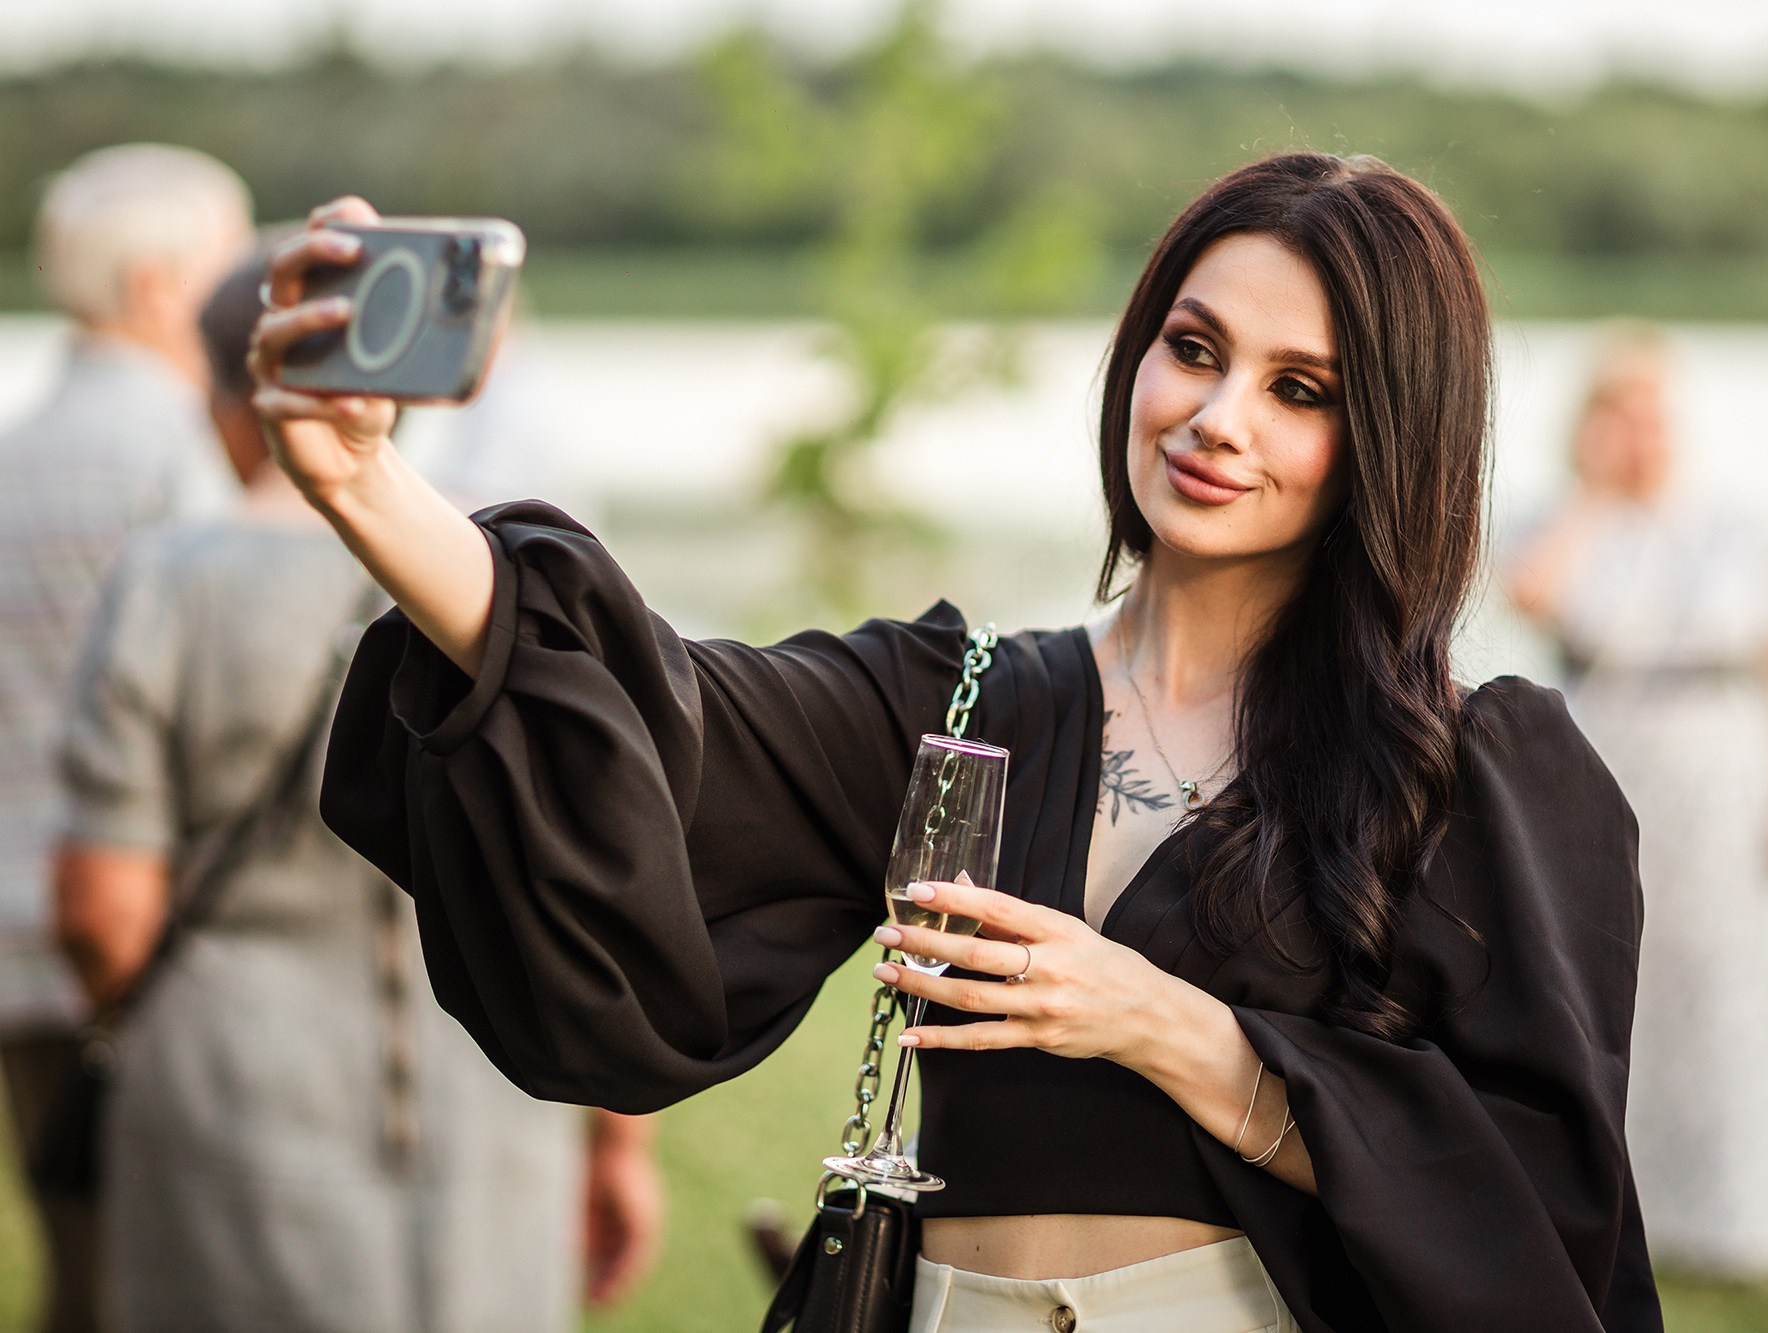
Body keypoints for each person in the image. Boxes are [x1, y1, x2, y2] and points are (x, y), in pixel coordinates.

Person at [251, 154, 1661, 1330]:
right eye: (1194, 348)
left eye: (1302, 390)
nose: (1216, 418)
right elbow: (659, 706)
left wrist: (1177, 1029)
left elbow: (1534, 1205)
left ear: (1391, 437)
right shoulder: (965, 699)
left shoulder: (1469, 774)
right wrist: (365, 481)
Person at [51, 252, 662, 1332]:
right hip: (496, 1080)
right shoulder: (516, 570)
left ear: (220, 391)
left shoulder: (169, 579)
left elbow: (106, 912)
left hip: (233, 1076)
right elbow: (612, 880)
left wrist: (124, 1011)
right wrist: (619, 1141)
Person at [1504, 329, 1768, 1280]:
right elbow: (1533, 595)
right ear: (1593, 423)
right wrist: (1595, 493)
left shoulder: (1733, 521)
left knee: (1724, 975)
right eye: (1622, 412)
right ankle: (1617, 1199)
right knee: (1611, 977)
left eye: (1655, 411)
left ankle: (1741, 1213)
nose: (1644, 431)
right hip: (1609, 755)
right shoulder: (1558, 518)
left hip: (1721, 757)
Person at [0, 142, 249, 1333]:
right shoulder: (189, 456)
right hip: (160, 942)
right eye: (229, 260)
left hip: (23, 939)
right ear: (160, 286)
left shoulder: (14, 449)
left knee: (79, 1272)